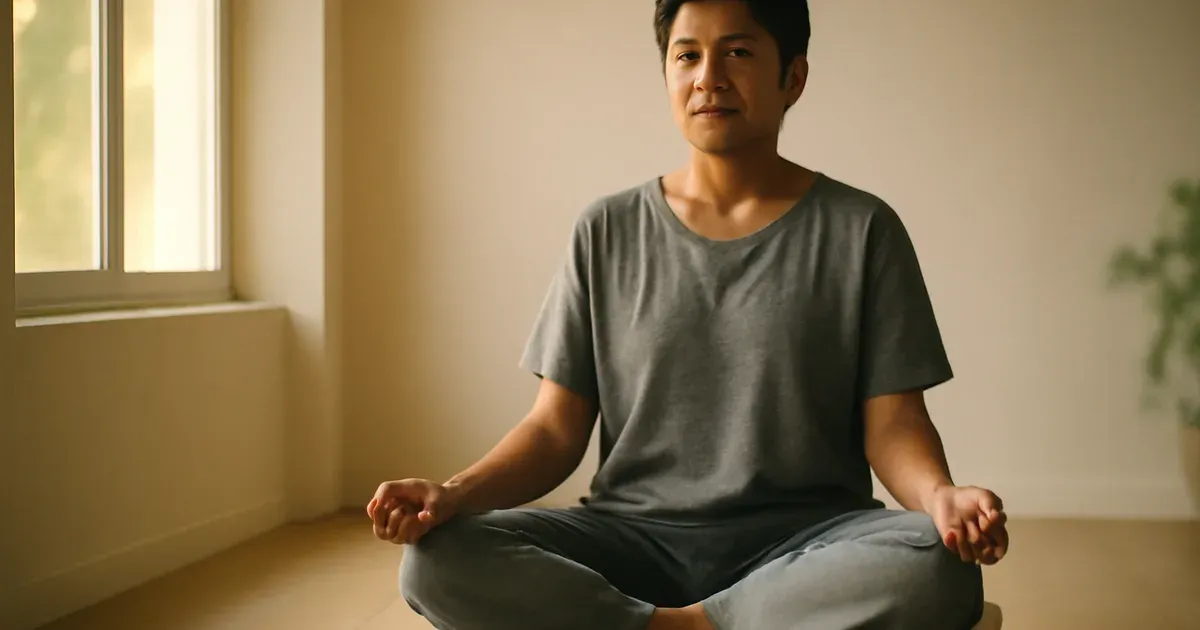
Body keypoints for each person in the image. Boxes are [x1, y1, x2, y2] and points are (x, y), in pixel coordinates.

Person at [367, 1, 1009, 628]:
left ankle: (670, 624)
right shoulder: (606, 230)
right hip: (630, 539)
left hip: (807, 542)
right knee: (435, 560)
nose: (708, 77)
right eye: (687, 55)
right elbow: (554, 431)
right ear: (668, 75)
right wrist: (452, 494)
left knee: (939, 564)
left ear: (794, 77)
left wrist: (939, 498)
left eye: (736, 52)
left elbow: (894, 424)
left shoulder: (863, 229)